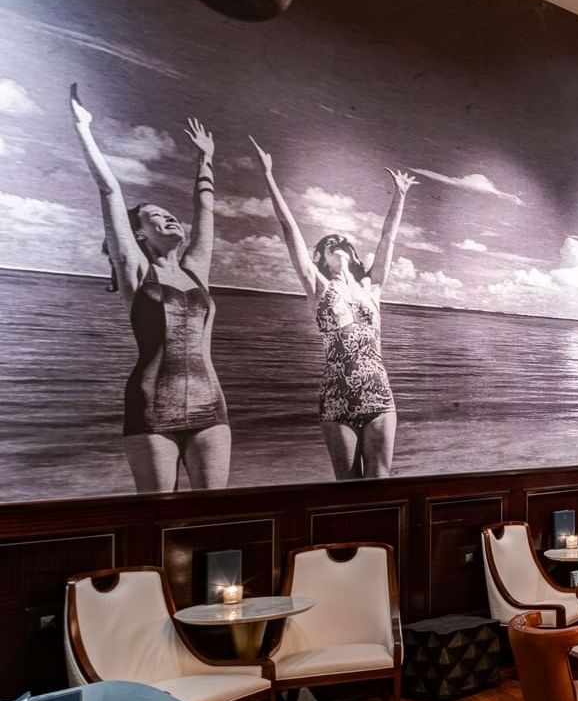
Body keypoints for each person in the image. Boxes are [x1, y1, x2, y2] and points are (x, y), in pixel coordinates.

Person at [69, 84, 231, 492]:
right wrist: (83, 128)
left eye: (170, 213)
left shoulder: (195, 270)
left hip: (212, 407)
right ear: (139, 235)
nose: (170, 218)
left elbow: (204, 209)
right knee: (160, 523)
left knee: (216, 518)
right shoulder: (136, 271)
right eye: (156, 217)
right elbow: (109, 191)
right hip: (151, 410)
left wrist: (205, 159)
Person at [252, 139, 415, 479]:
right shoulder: (318, 288)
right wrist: (268, 176)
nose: (336, 244)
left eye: (342, 242)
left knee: (381, 481)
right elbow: (289, 230)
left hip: (378, 392)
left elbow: (388, 239)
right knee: (347, 486)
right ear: (321, 260)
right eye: (328, 245)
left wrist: (400, 196)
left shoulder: (373, 286)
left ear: (354, 256)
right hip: (336, 395)